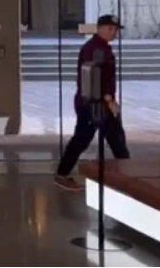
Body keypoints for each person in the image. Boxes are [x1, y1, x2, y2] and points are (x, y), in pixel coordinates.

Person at [54, 14, 130, 191]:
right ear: (100, 29)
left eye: (116, 29)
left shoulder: (100, 47)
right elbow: (95, 78)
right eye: (110, 29)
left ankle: (128, 178)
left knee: (111, 140)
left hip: (95, 103)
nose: (114, 33)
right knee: (99, 140)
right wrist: (109, 100)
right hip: (95, 104)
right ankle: (129, 180)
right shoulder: (95, 49)